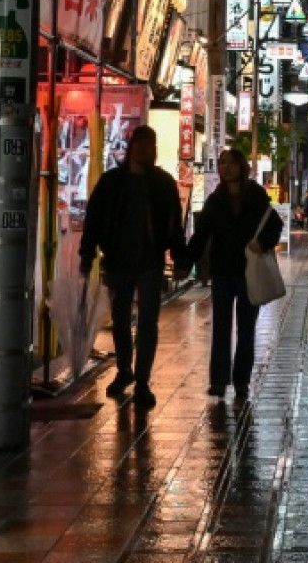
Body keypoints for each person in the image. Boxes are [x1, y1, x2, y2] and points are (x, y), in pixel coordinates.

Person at [80, 125, 186, 408]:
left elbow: (175, 222)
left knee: (148, 322)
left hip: (150, 259)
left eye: (148, 144)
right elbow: (94, 219)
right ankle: (125, 369)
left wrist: (180, 258)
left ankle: (142, 379)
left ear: (153, 150)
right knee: (121, 319)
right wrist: (86, 254)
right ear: (131, 147)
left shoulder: (163, 183)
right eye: (138, 143)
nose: (142, 149)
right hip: (118, 259)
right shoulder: (111, 181)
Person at [187, 148, 283, 401]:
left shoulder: (255, 195)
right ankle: (218, 380)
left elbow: (274, 224)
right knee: (220, 327)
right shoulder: (215, 199)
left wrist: (262, 244)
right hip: (222, 271)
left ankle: (241, 380)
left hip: (248, 272)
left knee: (246, 328)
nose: (224, 167)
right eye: (221, 163)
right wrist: (185, 260)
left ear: (241, 166)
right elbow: (201, 234)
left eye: (229, 163)